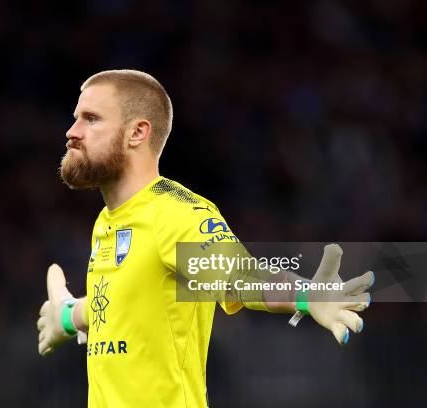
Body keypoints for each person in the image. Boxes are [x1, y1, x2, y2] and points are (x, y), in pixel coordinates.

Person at [36, 70, 373, 407]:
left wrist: (306, 294)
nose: (72, 132)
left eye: (91, 119)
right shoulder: (107, 222)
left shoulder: (177, 213)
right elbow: (119, 306)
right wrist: (66, 316)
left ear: (137, 132)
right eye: (76, 118)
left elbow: (239, 277)